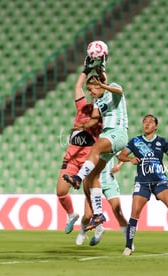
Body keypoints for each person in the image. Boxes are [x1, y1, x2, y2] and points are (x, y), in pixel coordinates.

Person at [63, 65, 129, 232]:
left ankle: (77, 178)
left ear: (99, 86)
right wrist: (82, 126)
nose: (90, 94)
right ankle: (98, 214)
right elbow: (94, 119)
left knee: (95, 148)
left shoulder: (114, 89)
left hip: (119, 133)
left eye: (92, 90)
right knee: (93, 176)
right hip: (107, 135)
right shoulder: (99, 101)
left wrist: (103, 84)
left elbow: (118, 92)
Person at [118, 114, 168, 256]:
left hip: (160, 181)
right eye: (144, 121)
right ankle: (128, 246)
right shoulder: (136, 141)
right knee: (134, 214)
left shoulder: (162, 142)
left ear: (156, 126)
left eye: (150, 122)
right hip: (142, 182)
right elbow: (121, 155)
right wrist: (129, 159)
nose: (146, 123)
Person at [56, 67, 103, 234]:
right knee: (61, 191)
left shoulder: (103, 110)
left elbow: (107, 89)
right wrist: (86, 69)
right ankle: (71, 215)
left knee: (89, 196)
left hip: (88, 158)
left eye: (94, 88)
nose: (90, 91)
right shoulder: (82, 106)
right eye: (89, 89)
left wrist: (102, 73)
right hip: (72, 155)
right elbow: (77, 87)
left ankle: (97, 224)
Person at [75, 157, 134, 252]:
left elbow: (123, 154)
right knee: (87, 215)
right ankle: (82, 232)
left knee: (118, 212)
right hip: (93, 183)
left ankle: (129, 243)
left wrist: (119, 165)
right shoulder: (91, 147)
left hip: (109, 183)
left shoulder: (109, 143)